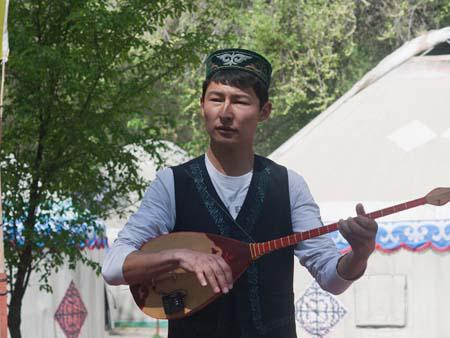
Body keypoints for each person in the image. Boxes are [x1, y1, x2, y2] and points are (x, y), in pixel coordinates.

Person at [102, 48, 378, 338]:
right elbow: (113, 266)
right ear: (202, 106)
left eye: (240, 101)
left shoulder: (288, 185)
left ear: (265, 111)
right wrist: (179, 256)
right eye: (216, 99)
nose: (225, 113)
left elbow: (330, 277)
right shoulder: (172, 183)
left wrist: (359, 254)